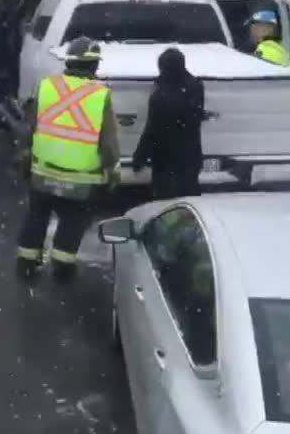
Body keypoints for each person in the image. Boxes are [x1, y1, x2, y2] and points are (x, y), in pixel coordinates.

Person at [15, 37, 121, 282]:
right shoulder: (100, 95)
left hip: (43, 171)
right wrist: (112, 170)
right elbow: (109, 142)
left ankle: (26, 263)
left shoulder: (47, 86)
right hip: (81, 178)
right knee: (72, 221)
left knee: (36, 215)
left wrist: (22, 154)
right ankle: (62, 268)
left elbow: (29, 127)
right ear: (94, 66)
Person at [131, 47, 206, 200]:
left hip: (164, 157)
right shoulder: (196, 87)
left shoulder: (161, 93)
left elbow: (152, 128)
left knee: (164, 200)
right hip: (190, 155)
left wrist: (140, 156)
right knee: (188, 196)